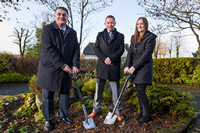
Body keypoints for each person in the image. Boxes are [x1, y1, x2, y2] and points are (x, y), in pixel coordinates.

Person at [36, 7, 80, 131]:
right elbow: (48, 50)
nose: (61, 17)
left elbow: (76, 49)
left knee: (65, 94)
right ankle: (48, 120)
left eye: (64, 15)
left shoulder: (72, 32)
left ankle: (62, 115)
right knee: (48, 96)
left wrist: (75, 64)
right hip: (50, 69)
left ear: (67, 17)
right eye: (59, 14)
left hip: (67, 70)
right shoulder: (47, 30)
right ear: (55, 16)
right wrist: (62, 64)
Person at [88, 15, 125, 121]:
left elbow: (121, 50)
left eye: (112, 22)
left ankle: (117, 111)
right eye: (108, 22)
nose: (110, 24)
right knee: (98, 91)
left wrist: (111, 58)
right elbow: (96, 48)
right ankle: (96, 110)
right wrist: (105, 59)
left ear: (115, 23)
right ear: (105, 24)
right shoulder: (100, 35)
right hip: (102, 67)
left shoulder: (120, 36)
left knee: (116, 92)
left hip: (114, 66)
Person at [124, 17, 156, 124]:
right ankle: (142, 113)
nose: (139, 26)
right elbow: (130, 53)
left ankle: (146, 115)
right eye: (138, 24)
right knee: (139, 91)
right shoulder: (134, 37)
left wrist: (134, 66)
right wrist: (127, 65)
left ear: (145, 25)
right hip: (135, 67)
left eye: (141, 24)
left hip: (144, 67)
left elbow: (147, 54)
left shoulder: (151, 37)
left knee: (141, 91)